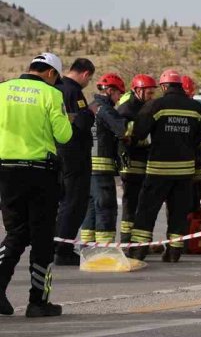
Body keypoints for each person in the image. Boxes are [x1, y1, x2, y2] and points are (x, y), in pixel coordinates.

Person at [0, 53, 73, 317]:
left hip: (6, 172)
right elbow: (64, 134)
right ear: (52, 74)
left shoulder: (3, 90)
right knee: (42, 238)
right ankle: (38, 302)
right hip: (40, 173)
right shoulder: (50, 94)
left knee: (16, 233)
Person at [128, 69, 201, 262]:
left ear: (164, 86)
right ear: (180, 85)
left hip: (158, 169)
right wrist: (189, 142)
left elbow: (139, 132)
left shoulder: (156, 106)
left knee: (147, 210)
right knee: (178, 212)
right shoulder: (197, 109)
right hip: (184, 171)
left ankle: (138, 251)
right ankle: (174, 252)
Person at [79, 74, 131, 244]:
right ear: (110, 91)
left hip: (87, 168)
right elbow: (123, 130)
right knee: (106, 208)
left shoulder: (90, 107)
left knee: (91, 209)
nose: (119, 99)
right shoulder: (105, 109)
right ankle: (104, 249)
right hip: (102, 169)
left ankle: (87, 246)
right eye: (118, 94)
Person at [53, 58, 96, 265]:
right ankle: (64, 249)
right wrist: (91, 111)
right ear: (85, 74)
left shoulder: (56, 88)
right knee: (74, 201)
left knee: (62, 202)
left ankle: (55, 244)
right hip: (74, 155)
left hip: (58, 153)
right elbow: (81, 123)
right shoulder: (73, 92)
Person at [116, 75, 156, 243]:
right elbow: (125, 135)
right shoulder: (126, 110)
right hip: (131, 162)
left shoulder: (145, 107)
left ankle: (139, 239)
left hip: (144, 161)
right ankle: (127, 239)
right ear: (138, 91)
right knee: (130, 202)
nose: (152, 96)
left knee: (142, 202)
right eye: (149, 93)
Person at [182, 75, 201, 213]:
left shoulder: (198, 109)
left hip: (194, 161)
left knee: (191, 199)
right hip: (195, 160)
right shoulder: (199, 109)